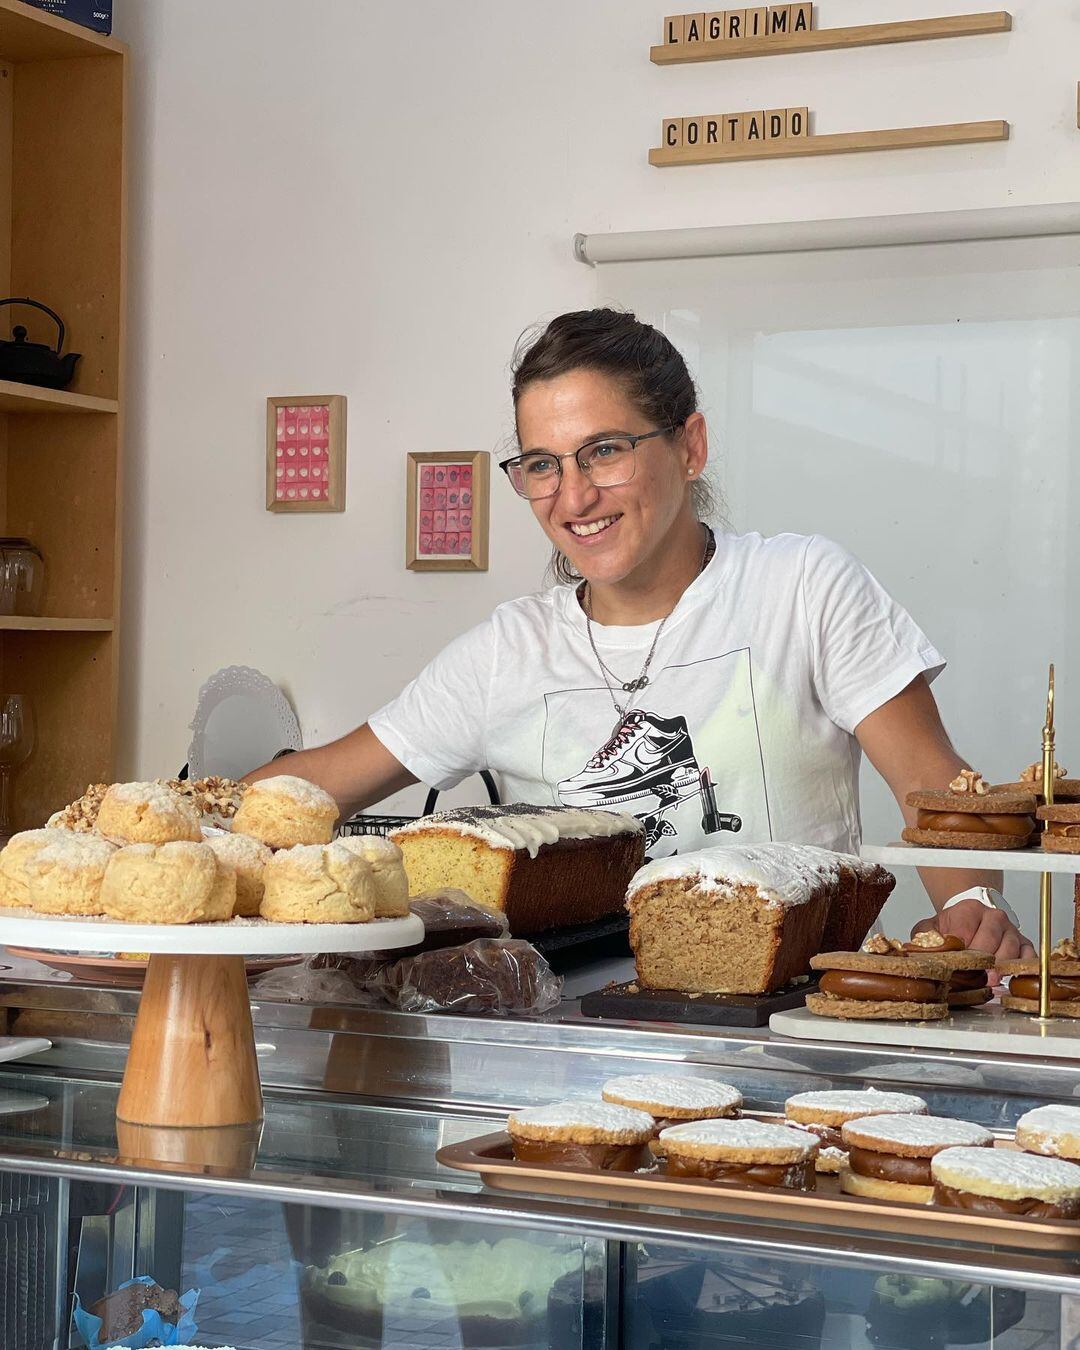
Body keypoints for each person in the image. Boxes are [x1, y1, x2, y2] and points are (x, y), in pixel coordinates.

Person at [248, 308, 1030, 960]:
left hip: (791, 1039)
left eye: (605, 451)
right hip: (572, 1049)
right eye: (543, 464)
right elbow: (309, 790)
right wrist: (168, 826)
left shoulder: (801, 587)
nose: (574, 494)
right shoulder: (508, 651)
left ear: (689, 447)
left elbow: (936, 796)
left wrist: (969, 903)